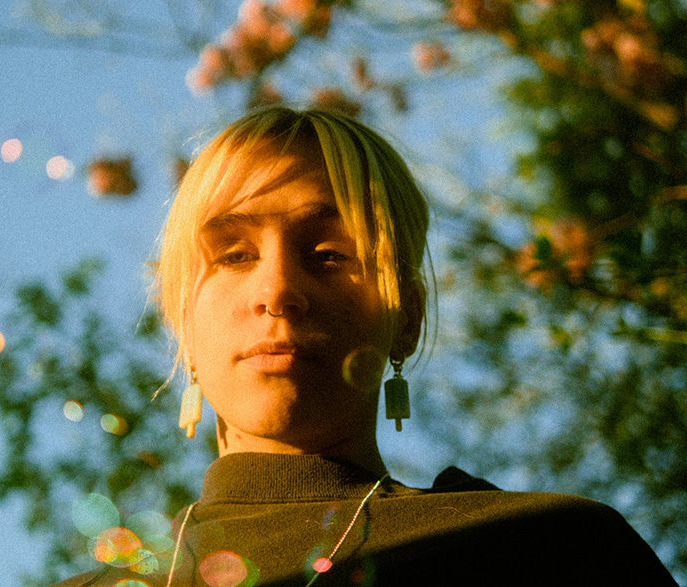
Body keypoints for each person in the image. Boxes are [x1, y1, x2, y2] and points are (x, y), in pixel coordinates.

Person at [52, 106, 676, 586]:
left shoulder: (544, 548)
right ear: (182, 321)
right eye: (235, 255)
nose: (277, 290)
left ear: (406, 318)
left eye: (329, 255)